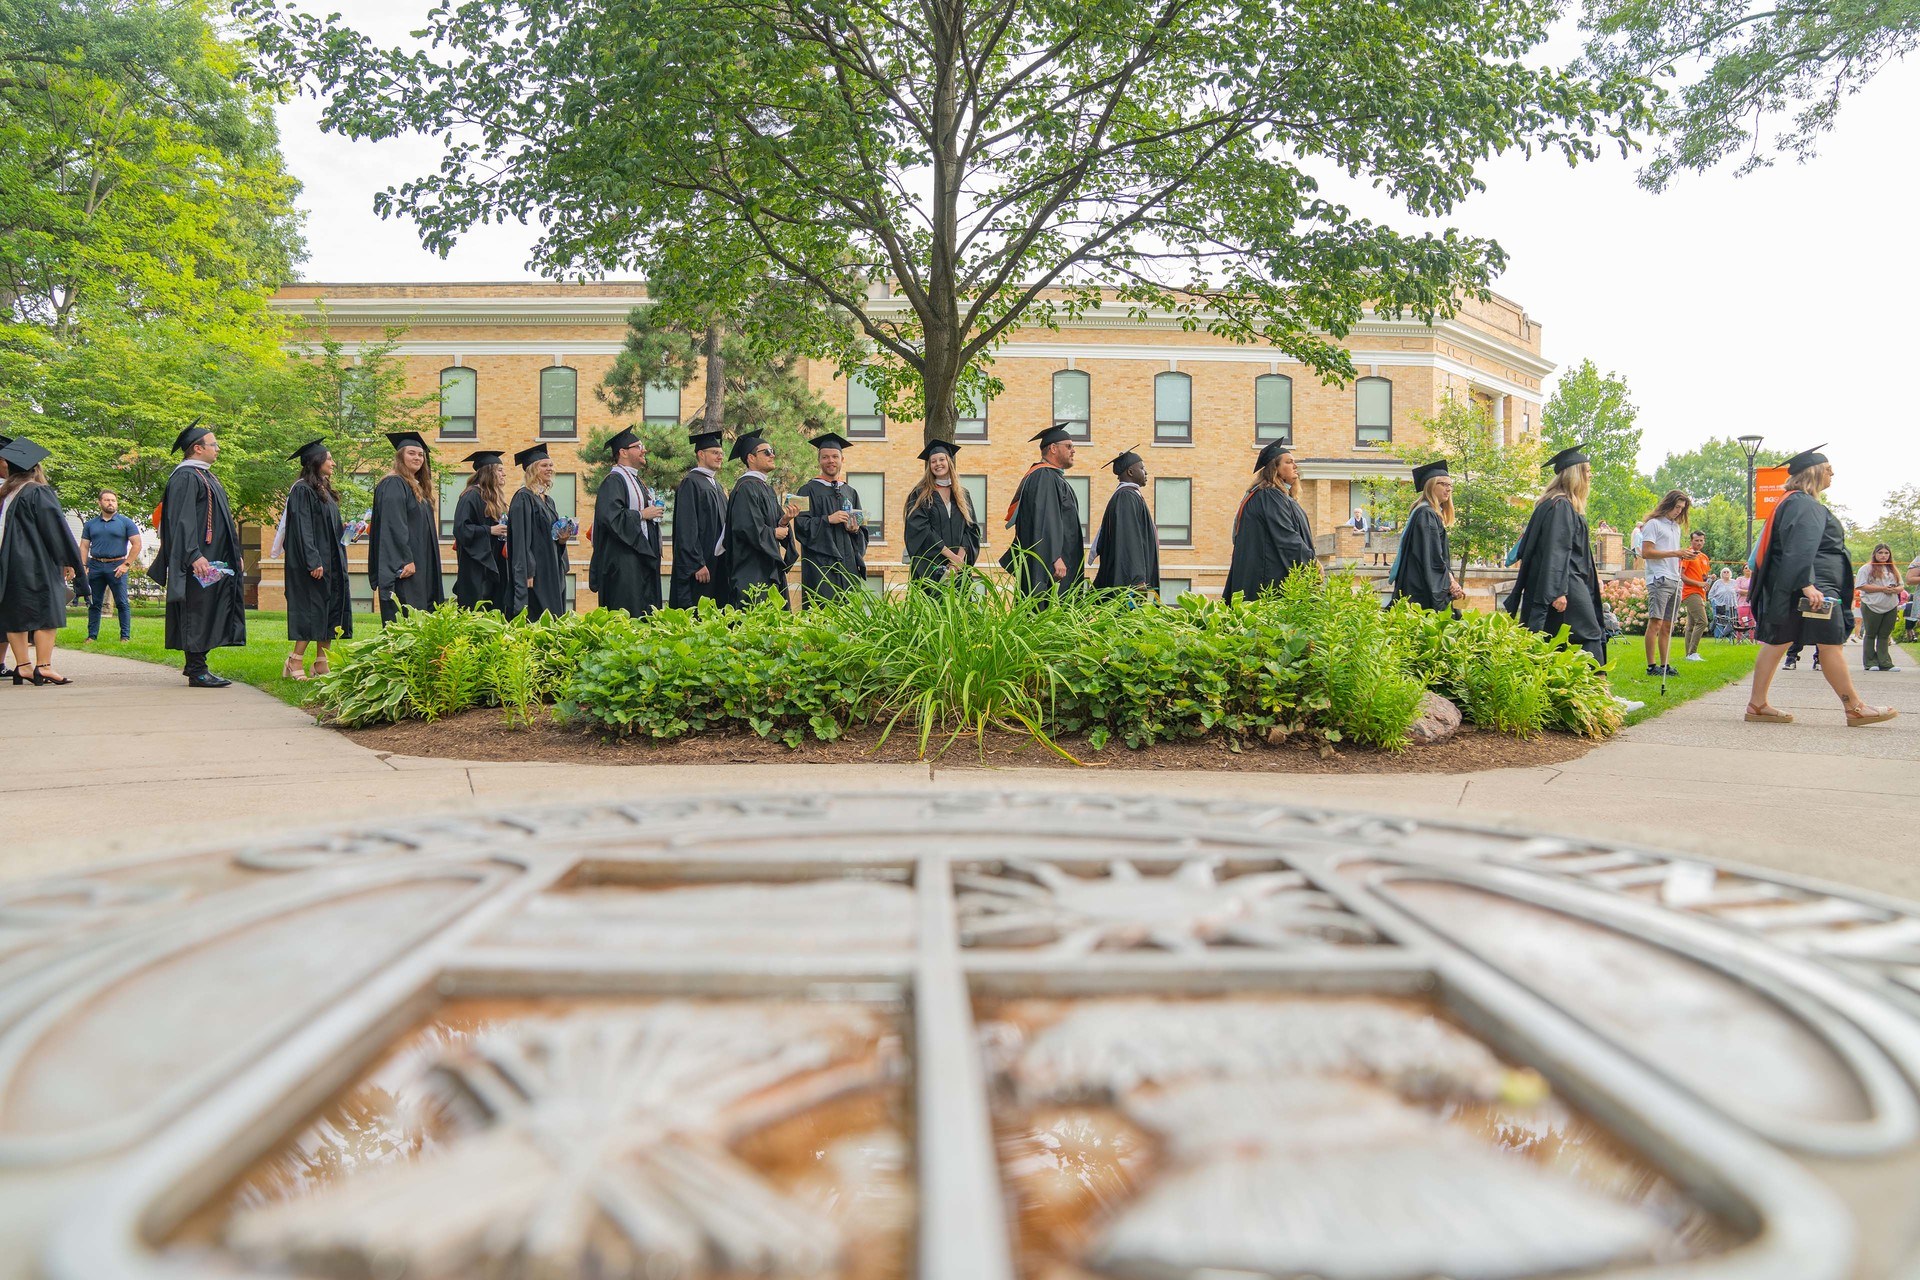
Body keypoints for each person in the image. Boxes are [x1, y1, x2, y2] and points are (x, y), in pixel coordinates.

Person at [1743, 445, 1894, 727]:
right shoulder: (1804, 504)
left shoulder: (1791, 501)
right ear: (1813, 472)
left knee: (1779, 641)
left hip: (1801, 586)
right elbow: (1799, 547)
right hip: (1815, 590)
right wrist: (1807, 584)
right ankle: (1855, 708)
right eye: (1827, 469)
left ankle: (1757, 704)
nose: (1832, 473)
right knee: (1830, 643)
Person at [152, 422, 246, 687]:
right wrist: (193, 555)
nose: (218, 449)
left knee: (207, 608)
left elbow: (224, 520)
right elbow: (181, 521)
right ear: (197, 448)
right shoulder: (186, 476)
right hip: (197, 559)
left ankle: (198, 665)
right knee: (197, 610)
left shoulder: (205, 475)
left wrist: (234, 552)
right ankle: (196, 670)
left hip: (213, 556)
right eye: (213, 444)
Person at [1506, 446, 1606, 666]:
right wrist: (1557, 591)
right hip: (1566, 582)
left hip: (1560, 582)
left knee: (1554, 639)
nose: (1590, 475)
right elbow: (1556, 550)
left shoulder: (1552, 503)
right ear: (1575, 474)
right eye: (1587, 470)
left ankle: (1571, 694)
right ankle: (1603, 693)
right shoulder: (1561, 506)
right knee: (1589, 634)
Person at [0, 437, 85, 685]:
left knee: (14, 612)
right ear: (36, 468)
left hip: (8, 563)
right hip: (37, 563)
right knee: (49, 610)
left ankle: (23, 667)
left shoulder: (5, 494)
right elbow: (55, 529)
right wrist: (69, 560)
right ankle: (44, 667)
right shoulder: (37, 492)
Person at [278, 438, 352, 680]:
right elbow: (302, 528)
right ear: (316, 461)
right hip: (313, 563)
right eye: (329, 458)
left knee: (330, 609)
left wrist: (349, 531)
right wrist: (313, 561)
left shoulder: (324, 491)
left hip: (331, 560)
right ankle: (294, 660)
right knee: (312, 610)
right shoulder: (301, 489)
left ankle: (321, 663)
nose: (333, 462)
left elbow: (327, 527)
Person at [1000, 423, 1085, 598]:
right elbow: (1046, 520)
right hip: (1053, 568)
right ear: (1053, 448)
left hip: (1056, 564)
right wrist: (1055, 557)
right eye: (1068, 446)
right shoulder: (1044, 476)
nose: (1073, 451)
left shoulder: (1049, 476)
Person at [1224, 441, 1316, 602]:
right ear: (1275, 469)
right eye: (1288, 462)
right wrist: (1311, 564)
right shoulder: (1268, 496)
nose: (1295, 465)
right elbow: (1286, 537)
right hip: (1268, 583)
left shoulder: (1276, 496)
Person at [367, 430, 444, 624]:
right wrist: (404, 560)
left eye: (420, 455)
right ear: (400, 456)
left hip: (420, 564)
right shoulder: (394, 483)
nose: (417, 458)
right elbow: (393, 526)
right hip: (405, 568)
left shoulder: (416, 486)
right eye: (411, 453)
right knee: (405, 615)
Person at [588, 427, 665, 616]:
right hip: (622, 562)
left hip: (639, 559)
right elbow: (611, 518)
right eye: (638, 446)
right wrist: (641, 515)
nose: (644, 450)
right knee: (627, 616)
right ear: (623, 452)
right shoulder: (613, 481)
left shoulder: (636, 480)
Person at [793, 429, 869, 604]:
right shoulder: (806, 490)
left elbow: (863, 528)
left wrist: (856, 529)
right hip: (821, 566)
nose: (830, 461)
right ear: (819, 460)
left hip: (848, 565)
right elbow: (800, 526)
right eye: (825, 457)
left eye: (835, 456)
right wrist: (828, 519)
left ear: (842, 459)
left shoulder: (851, 492)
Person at [726, 432, 800, 608]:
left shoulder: (764, 488)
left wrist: (783, 521)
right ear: (751, 458)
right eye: (766, 452)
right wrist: (774, 532)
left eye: (772, 450)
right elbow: (745, 526)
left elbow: (771, 523)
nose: (772, 455)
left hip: (767, 567)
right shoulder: (745, 487)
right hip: (751, 571)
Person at [507, 442, 572, 620]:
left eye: (551, 465)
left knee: (554, 616)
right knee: (538, 616)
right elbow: (521, 540)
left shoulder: (548, 501)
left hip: (552, 568)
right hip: (536, 573)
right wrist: (527, 572)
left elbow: (550, 537)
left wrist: (562, 540)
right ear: (532, 470)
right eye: (544, 465)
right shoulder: (523, 498)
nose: (549, 469)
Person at [1388, 459, 1464, 612]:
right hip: (1421, 586)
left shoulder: (1426, 512)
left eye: (1450, 485)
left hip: (1416, 581)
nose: (1448, 489)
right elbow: (1433, 557)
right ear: (1430, 486)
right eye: (1443, 484)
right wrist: (1451, 582)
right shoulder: (1426, 514)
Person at [902, 440, 980, 583]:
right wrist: (952, 557)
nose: (938, 464)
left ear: (949, 462)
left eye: (941, 459)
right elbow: (921, 531)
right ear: (929, 466)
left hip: (959, 569)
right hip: (931, 568)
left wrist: (958, 561)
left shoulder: (963, 495)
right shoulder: (921, 495)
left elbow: (971, 531)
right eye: (933, 461)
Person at [669, 430, 730, 609]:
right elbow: (686, 527)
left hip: (717, 565)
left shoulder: (715, 485)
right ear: (701, 454)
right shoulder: (691, 483)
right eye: (715, 453)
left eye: (721, 454)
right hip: (701, 567)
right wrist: (696, 563)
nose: (720, 457)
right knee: (698, 613)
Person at [1090, 448, 1159, 595]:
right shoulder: (1126, 497)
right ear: (1130, 472)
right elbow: (1129, 539)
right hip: (1131, 583)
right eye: (1142, 468)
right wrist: (1137, 578)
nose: (1145, 472)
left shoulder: (1129, 495)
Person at [1638, 490, 1689, 677]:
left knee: (1668, 625)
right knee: (1656, 623)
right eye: (1676, 507)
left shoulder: (1675, 527)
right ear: (1668, 504)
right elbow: (1646, 552)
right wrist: (1675, 553)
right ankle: (1652, 666)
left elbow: (1674, 551)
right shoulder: (1653, 524)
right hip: (1659, 577)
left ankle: (1665, 665)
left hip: (1675, 578)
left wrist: (1683, 554)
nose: (1678, 511)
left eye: (1682, 508)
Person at [79, 489, 141, 643]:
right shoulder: (90, 524)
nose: (110, 503)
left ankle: (125, 637)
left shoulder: (125, 522)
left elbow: (137, 544)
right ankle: (92, 636)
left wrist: (126, 564)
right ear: (99, 502)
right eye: (107, 500)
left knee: (122, 603)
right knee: (94, 603)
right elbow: (84, 546)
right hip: (95, 566)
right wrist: (83, 565)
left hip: (117, 566)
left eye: (113, 500)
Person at [452, 450, 510, 611]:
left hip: (494, 561)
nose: (503, 474)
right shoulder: (470, 496)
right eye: (499, 470)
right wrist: (489, 530)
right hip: (476, 566)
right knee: (476, 606)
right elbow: (461, 529)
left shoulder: (492, 497)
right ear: (488, 471)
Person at [1856, 542, 1902, 673]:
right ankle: (1870, 662)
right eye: (1880, 553)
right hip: (1872, 605)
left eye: (1886, 553)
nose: (1883, 555)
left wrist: (1895, 589)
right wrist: (1882, 589)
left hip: (1890, 605)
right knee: (1870, 634)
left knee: (1884, 635)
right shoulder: (1866, 568)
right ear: (1875, 554)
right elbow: (1860, 586)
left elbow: (1901, 585)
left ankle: (1885, 662)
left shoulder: (1892, 568)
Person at [1678, 529, 1711, 661]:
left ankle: (1689, 654)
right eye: (1696, 540)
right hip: (1690, 592)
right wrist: (1699, 584)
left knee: (1691, 625)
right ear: (1691, 541)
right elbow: (1682, 576)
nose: (1699, 543)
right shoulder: (1688, 554)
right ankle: (1692, 652)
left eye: (1701, 540)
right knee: (1702, 622)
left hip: (1699, 592)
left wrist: (1708, 578)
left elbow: (1702, 575)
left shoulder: (1704, 557)